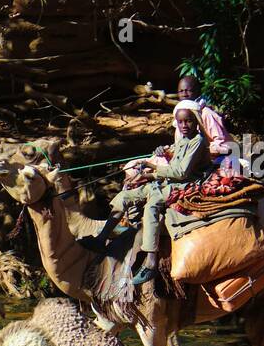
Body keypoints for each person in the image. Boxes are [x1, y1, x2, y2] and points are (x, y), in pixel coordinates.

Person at [81, 100, 213, 286]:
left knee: (153, 204)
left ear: (196, 122)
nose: (184, 125)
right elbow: (173, 159)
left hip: (184, 186)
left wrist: (151, 172)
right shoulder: (182, 139)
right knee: (125, 196)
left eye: (188, 121)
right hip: (169, 182)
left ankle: (151, 261)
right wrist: (158, 157)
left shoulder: (197, 141)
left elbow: (182, 172)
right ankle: (102, 238)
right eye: (181, 122)